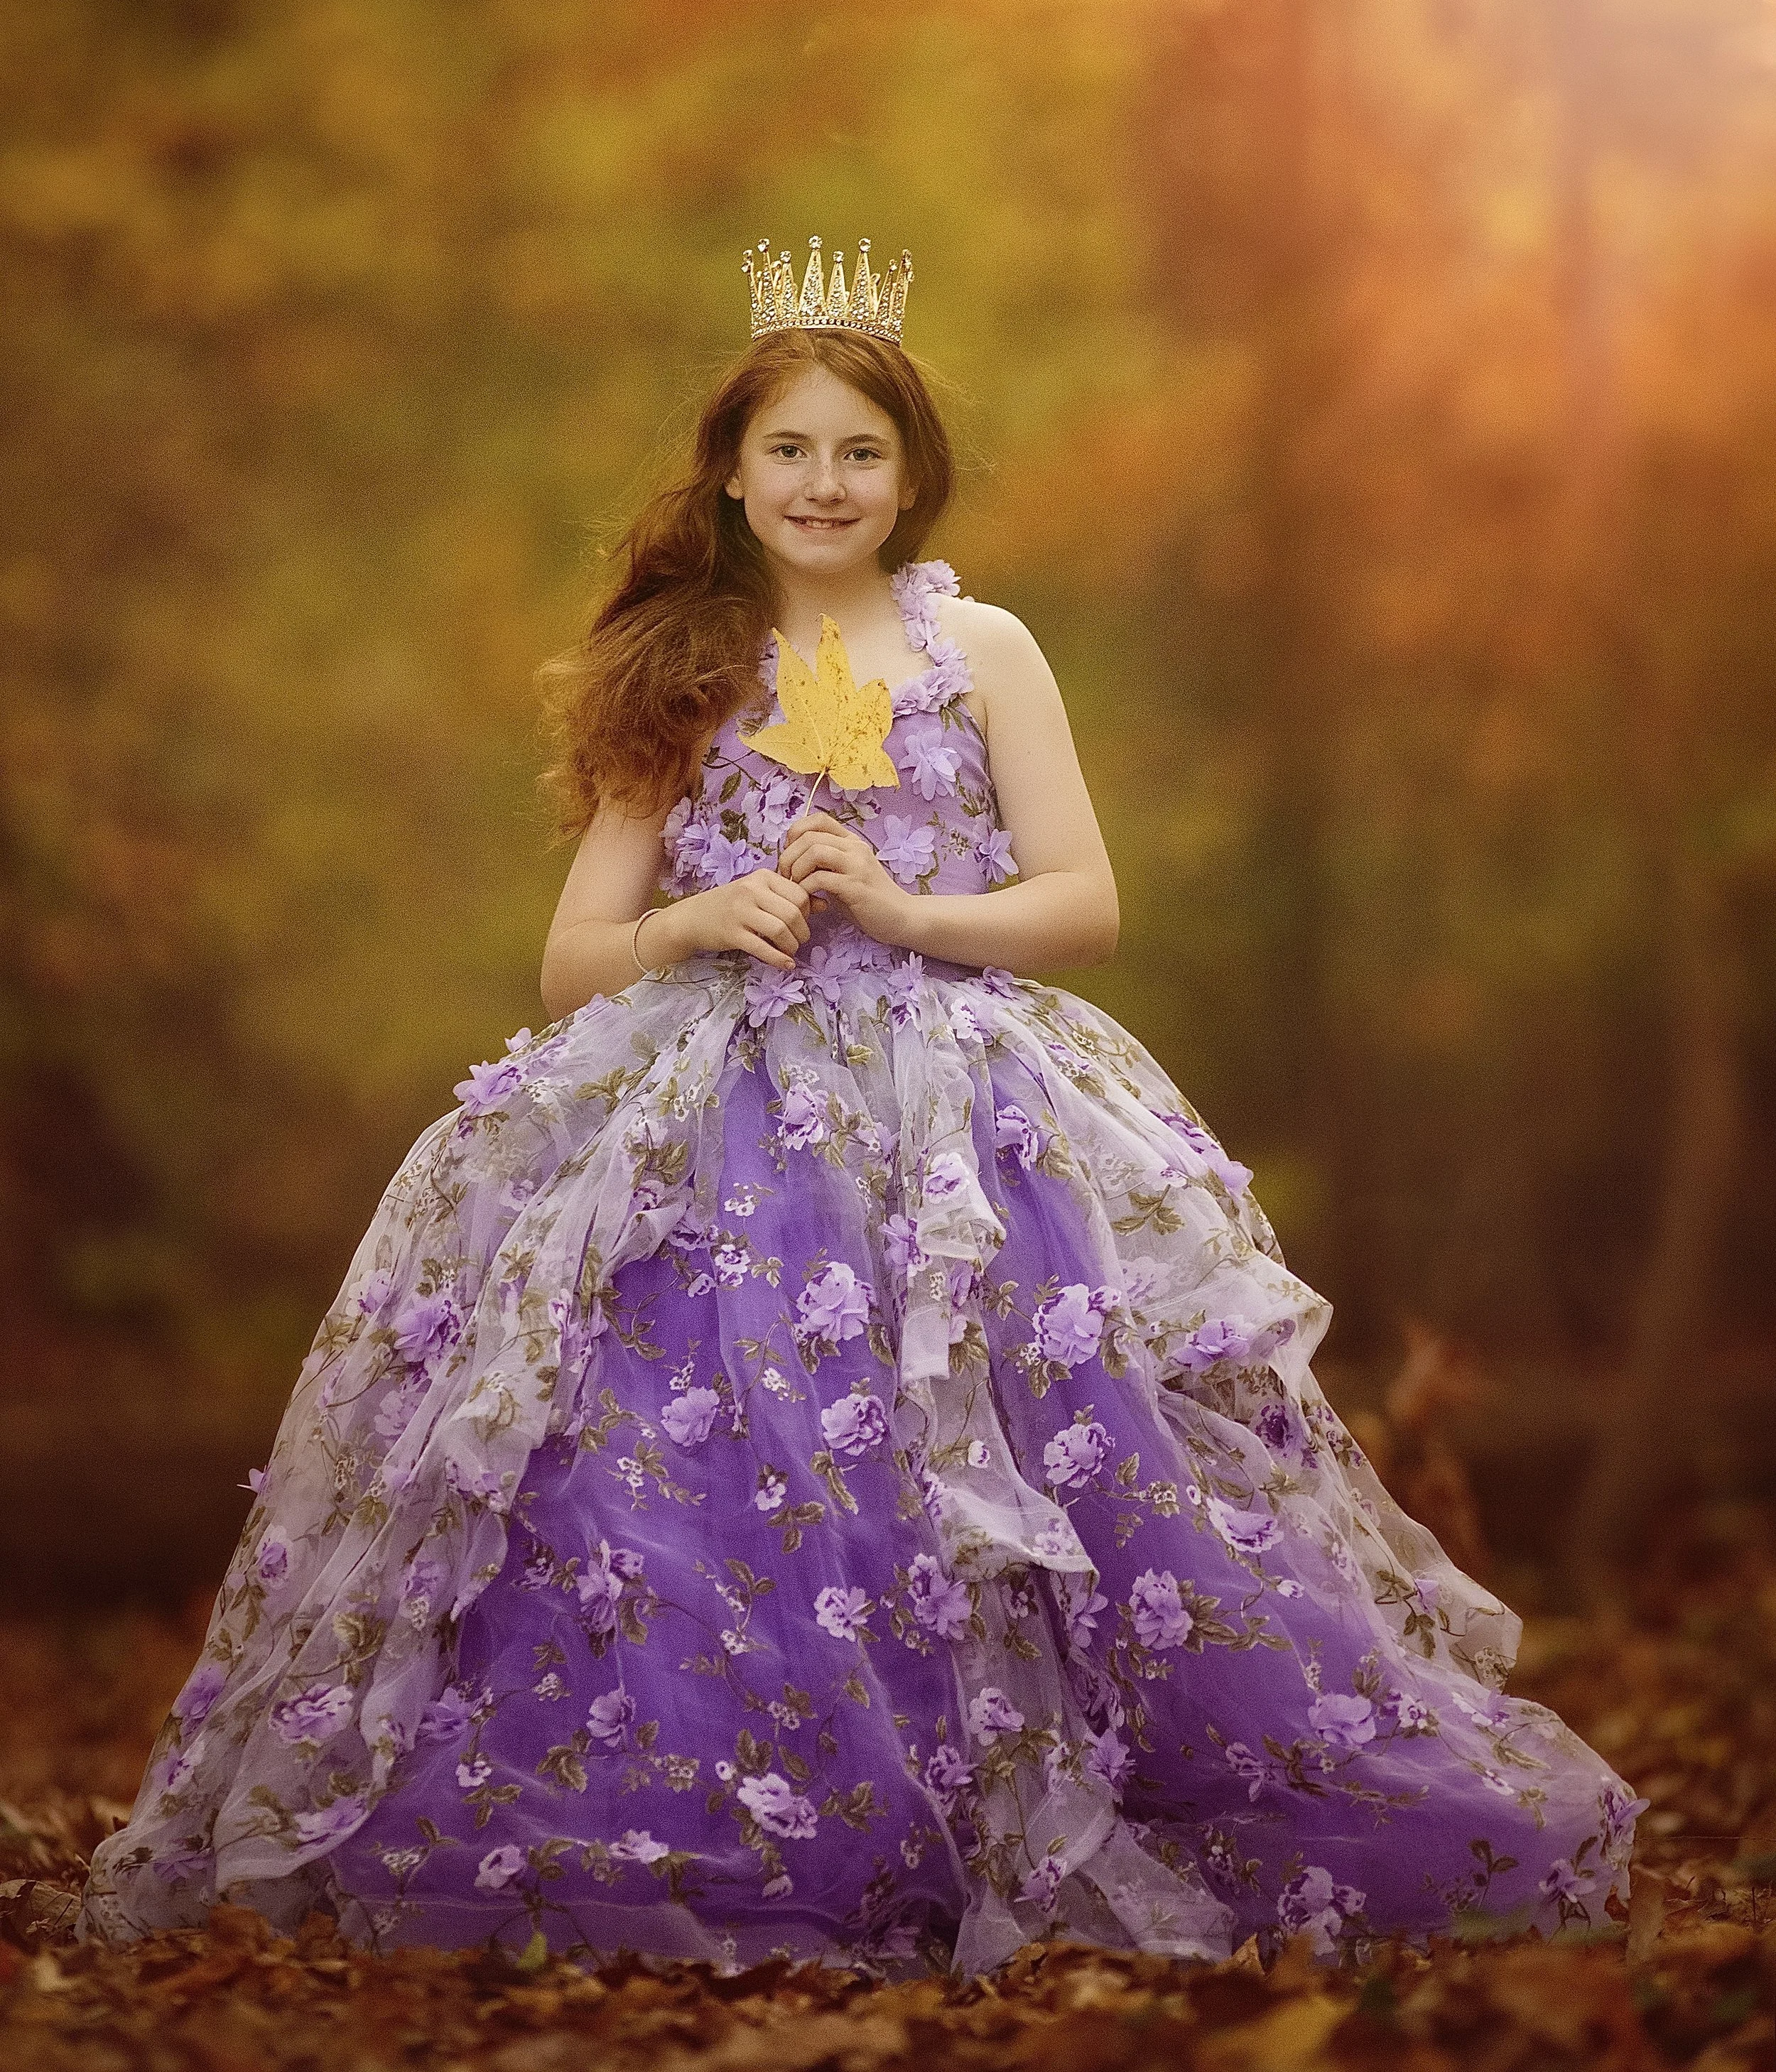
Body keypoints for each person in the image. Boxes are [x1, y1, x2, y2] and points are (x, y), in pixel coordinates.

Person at [83, 242, 1638, 1976]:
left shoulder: (978, 646)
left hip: (950, 1111)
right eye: (790, 453)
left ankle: (1025, 1798)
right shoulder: (679, 659)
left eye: (860, 453)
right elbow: (569, 956)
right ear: (732, 476)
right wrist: (688, 919)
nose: (824, 485)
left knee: (998, 1442)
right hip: (706, 1118)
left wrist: (904, 912)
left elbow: (1081, 903)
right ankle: (740, 1811)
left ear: (910, 475)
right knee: (690, 1459)